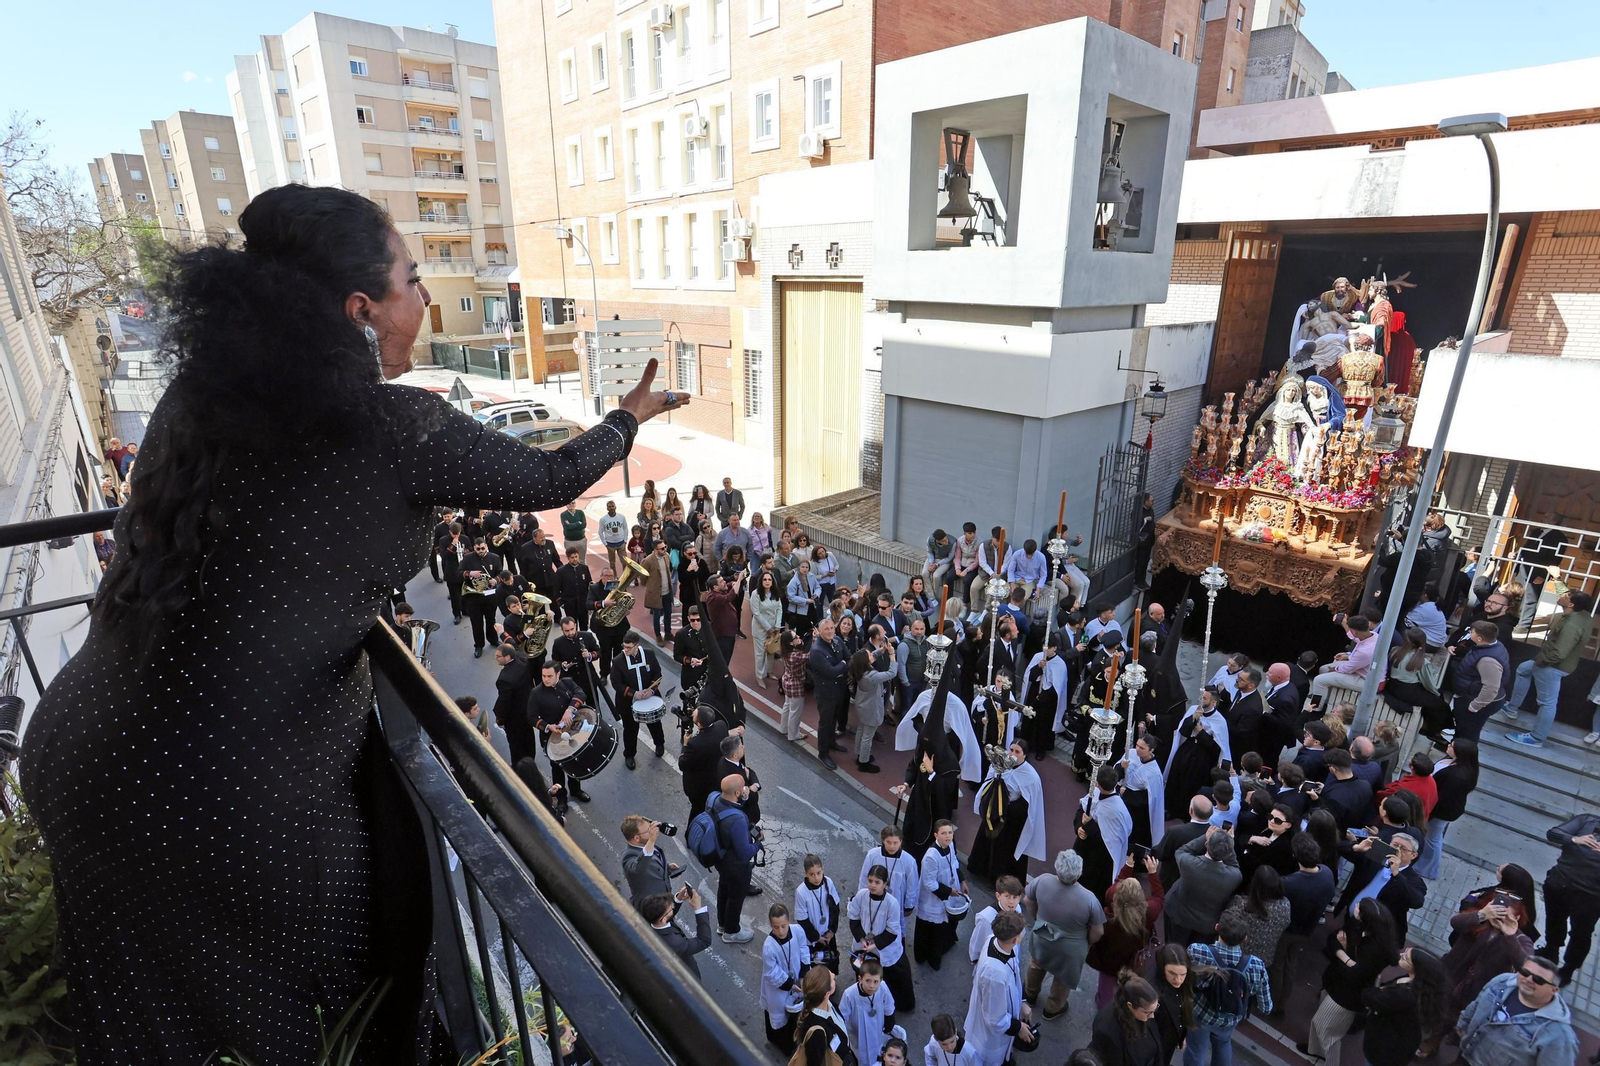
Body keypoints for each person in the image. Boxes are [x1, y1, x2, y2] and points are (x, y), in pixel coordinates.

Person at [20, 186, 689, 1060]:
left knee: (145, 1026)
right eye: (413, 281)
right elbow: (550, 481)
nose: (427, 303)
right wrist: (626, 418)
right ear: (360, 311)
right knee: (345, 1021)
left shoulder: (200, 396)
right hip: (222, 806)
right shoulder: (394, 427)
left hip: (82, 752)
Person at [1503, 591, 1596, 747]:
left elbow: (1560, 652)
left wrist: (1542, 661)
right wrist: (1558, 578)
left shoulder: (1571, 625)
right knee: (1523, 670)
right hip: (1550, 663)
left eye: (1565, 595)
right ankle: (1512, 707)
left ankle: (1536, 738)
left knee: (1547, 703)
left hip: (1551, 666)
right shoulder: (1583, 615)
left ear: (1571, 604)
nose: (1560, 595)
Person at [1020, 849, 1103, 1021]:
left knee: (1036, 963)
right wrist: (1086, 942)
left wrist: (1037, 918)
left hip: (1042, 935)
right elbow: (1098, 931)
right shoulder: (1089, 899)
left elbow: (1027, 900)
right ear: (1079, 873)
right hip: (1071, 947)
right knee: (1063, 978)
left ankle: (1030, 995)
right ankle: (1052, 1008)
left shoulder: (1042, 880)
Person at [1445, 865, 1538, 1013]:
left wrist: (1510, 935)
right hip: (1450, 978)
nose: (1498, 917)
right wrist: (1482, 914)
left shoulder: (1521, 939)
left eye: (1505, 915)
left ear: (1517, 917)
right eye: (1496, 911)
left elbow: (1526, 968)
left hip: (1478, 995)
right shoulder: (1479, 921)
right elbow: (1456, 922)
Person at [1455, 956, 1578, 1066]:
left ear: (1554, 990)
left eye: (1538, 980)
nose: (1529, 979)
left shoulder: (1559, 1036)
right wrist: (1462, 1027)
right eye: (1525, 972)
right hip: (1464, 1056)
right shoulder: (1502, 982)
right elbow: (1476, 1005)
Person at [1184, 912, 1271, 1066]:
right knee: (1223, 1044)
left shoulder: (1197, 950)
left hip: (1200, 1013)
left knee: (1196, 1049)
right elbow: (1266, 1006)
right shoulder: (1256, 965)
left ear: (1217, 928)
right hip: (1230, 1017)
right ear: (1245, 938)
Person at [1086, 854, 1165, 1006]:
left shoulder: (1111, 896)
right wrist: (1153, 873)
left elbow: (1117, 882)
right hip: (1131, 956)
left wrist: (1128, 866)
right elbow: (1159, 896)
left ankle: (1104, 1005)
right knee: (1128, 979)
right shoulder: (1149, 911)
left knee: (1106, 980)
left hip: (1108, 952)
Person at [969, 738, 1046, 882]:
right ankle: (979, 869)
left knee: (1004, 851)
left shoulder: (1031, 777)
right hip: (993, 812)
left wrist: (1009, 808)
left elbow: (1030, 804)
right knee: (986, 841)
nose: (1012, 754)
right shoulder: (999, 762)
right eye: (1011, 750)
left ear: (1024, 755)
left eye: (1017, 751)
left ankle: (999, 879)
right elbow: (988, 780)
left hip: (1011, 819)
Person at [1539, 811, 1600, 985]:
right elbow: (1553, 833)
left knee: (1581, 934)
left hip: (1591, 897)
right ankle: (1551, 951)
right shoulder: (1587, 820)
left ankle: (1568, 969)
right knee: (1554, 920)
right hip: (1560, 884)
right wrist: (1574, 839)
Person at [965, 911, 1034, 1064]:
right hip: (990, 1037)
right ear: (1016, 939)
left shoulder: (995, 941)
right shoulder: (994, 974)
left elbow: (1014, 975)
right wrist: (1018, 1027)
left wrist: (1021, 1002)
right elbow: (995, 1019)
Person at [1361, 946, 1448, 1066]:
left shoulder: (1404, 995)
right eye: (1406, 951)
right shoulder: (1422, 989)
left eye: (1406, 958)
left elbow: (1369, 997)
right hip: (1402, 1041)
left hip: (1384, 1048)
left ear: (1417, 969)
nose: (1401, 954)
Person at [1277, 835, 1335, 1008]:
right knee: (1291, 962)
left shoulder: (1289, 883)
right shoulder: (1326, 872)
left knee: (1277, 964)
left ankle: (1273, 1000)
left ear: (1295, 856)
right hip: (1306, 930)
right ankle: (1283, 999)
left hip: (1287, 930)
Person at [851, 863, 915, 1014]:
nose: (872, 885)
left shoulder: (892, 903)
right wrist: (861, 939)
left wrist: (875, 945)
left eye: (877, 882)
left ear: (885, 884)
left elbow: (892, 931)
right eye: (870, 881)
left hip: (885, 947)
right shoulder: (861, 896)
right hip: (864, 944)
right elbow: (853, 918)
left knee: (896, 976)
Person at [1163, 828, 1241, 951]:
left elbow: (1182, 850)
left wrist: (1205, 836)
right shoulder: (1235, 876)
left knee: (1173, 951)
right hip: (1206, 925)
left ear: (1206, 845)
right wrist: (1230, 842)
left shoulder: (1189, 864)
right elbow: (1234, 864)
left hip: (1179, 916)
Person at [529, 661, 594, 804]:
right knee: (557, 768)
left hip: (572, 732)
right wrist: (548, 726)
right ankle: (561, 798)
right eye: (543, 676)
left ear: (558, 674)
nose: (545, 679)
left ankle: (576, 790)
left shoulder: (567, 683)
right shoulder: (536, 693)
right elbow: (532, 717)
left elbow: (581, 693)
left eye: (549, 676)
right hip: (552, 738)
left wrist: (569, 709)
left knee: (574, 762)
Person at [1163, 688, 1231, 820]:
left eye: (1204, 698)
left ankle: (1187, 813)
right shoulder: (1194, 710)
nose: (1201, 700)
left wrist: (1201, 733)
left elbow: (1216, 748)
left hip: (1202, 757)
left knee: (1191, 785)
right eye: (1201, 697)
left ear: (1214, 702)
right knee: (1176, 779)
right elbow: (1183, 731)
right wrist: (1193, 718)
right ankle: (1172, 809)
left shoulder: (1219, 720)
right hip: (1187, 750)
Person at [707, 774, 759, 943]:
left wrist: (741, 801)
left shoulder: (714, 798)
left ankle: (722, 924)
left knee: (723, 890)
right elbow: (744, 852)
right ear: (737, 792)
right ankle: (731, 931)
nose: (746, 789)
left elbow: (728, 810)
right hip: (736, 865)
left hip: (720, 859)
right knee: (736, 897)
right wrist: (759, 843)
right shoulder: (737, 820)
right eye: (744, 787)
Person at [1419, 738, 1478, 879]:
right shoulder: (1455, 762)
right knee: (1432, 837)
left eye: (1451, 746)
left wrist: (1429, 812)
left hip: (1441, 811)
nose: (1448, 746)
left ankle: (1428, 870)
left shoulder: (1458, 776)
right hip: (1440, 807)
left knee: (1433, 838)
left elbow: (1443, 798)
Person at [611, 631, 665, 769]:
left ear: (637, 645)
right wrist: (634, 693)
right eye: (624, 646)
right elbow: (616, 683)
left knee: (654, 722)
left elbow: (657, 673)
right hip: (628, 701)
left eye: (629, 647)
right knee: (630, 729)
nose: (625, 650)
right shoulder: (618, 661)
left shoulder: (649, 654)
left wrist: (651, 690)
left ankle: (659, 744)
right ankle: (629, 754)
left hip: (649, 697)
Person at [1450, 619, 1510, 742]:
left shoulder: (1488, 660)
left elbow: (1491, 687)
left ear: (1480, 639)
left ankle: (1461, 759)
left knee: (1467, 734)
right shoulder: (1491, 646)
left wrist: (1474, 706)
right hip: (1470, 694)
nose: (1469, 633)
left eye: (1472, 632)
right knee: (1463, 731)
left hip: (1477, 700)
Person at [762, 903, 811, 1052]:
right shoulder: (769, 946)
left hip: (796, 978)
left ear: (789, 921)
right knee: (778, 1014)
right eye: (776, 927)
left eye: (783, 926)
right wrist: (790, 984)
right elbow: (771, 972)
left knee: (796, 1012)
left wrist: (803, 975)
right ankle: (781, 1043)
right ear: (771, 925)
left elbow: (804, 949)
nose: (780, 931)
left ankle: (794, 1038)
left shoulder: (797, 931)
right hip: (778, 987)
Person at [1089, 975, 1162, 1066]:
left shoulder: (1144, 1010)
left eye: (1154, 1009)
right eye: (1148, 1012)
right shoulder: (1107, 1031)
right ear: (1130, 1006)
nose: (1152, 1016)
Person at [643, 888, 712, 983]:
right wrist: (698, 908)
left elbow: (667, 917)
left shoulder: (650, 921)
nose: (672, 906)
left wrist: (678, 899)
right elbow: (704, 941)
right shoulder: (675, 943)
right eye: (671, 908)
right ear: (662, 919)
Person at [838, 958, 898, 1066]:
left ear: (881, 980)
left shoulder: (883, 987)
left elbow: (889, 1004)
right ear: (860, 979)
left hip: (877, 1029)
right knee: (861, 1055)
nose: (872, 986)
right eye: (868, 981)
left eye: (876, 982)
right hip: (858, 1034)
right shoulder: (849, 994)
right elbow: (842, 1016)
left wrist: (890, 1021)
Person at [1308, 614, 1377, 705]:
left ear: (1355, 632)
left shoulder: (1365, 651)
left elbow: (1348, 668)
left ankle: (1316, 708)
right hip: (1362, 669)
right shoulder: (1374, 635)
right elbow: (1356, 638)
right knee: (1323, 669)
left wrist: (1334, 669)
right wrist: (1344, 623)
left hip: (1367, 681)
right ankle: (1324, 697)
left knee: (1318, 680)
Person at [796, 966, 858, 1066]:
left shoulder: (829, 1003)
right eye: (832, 979)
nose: (834, 975)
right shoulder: (817, 1032)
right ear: (827, 993)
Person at [850, 645, 898, 773]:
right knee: (868, 736)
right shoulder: (871, 676)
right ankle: (863, 763)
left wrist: (881, 650)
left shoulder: (860, 670)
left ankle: (859, 755)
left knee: (861, 730)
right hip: (871, 710)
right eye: (870, 654)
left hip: (862, 707)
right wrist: (892, 655)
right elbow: (891, 673)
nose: (872, 654)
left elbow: (871, 657)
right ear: (866, 661)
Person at [810, 617, 850, 769]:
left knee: (834, 718)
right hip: (826, 693)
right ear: (819, 632)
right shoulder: (816, 651)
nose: (830, 631)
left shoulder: (838, 640)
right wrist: (843, 665)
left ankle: (832, 742)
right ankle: (823, 753)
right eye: (826, 629)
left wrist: (842, 665)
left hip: (839, 689)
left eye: (832, 628)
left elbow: (849, 656)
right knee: (826, 723)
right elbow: (831, 672)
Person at [620, 814, 683, 912]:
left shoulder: (646, 845)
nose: (653, 831)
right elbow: (639, 869)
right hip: (650, 909)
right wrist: (651, 840)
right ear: (636, 838)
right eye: (648, 830)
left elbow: (651, 863)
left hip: (664, 901)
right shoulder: (628, 856)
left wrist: (667, 868)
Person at [490, 643, 539, 765]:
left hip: (515, 716)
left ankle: (519, 766)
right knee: (528, 736)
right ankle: (531, 759)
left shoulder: (504, 679)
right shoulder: (522, 659)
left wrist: (499, 717)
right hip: (528, 707)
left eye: (498, 656)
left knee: (516, 744)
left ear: (507, 657)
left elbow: (504, 701)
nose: (495, 658)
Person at [680, 705, 732, 820]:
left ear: (699, 724)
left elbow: (683, 763)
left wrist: (685, 744)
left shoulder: (695, 744)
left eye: (694, 715)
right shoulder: (721, 726)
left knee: (698, 810)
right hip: (717, 775)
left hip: (700, 785)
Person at [795, 854, 842, 974]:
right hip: (813, 938)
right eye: (812, 874)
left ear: (823, 870)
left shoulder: (828, 883)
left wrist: (832, 931)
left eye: (819, 873)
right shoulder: (801, 892)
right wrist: (817, 938)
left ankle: (830, 986)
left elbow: (835, 909)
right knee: (815, 967)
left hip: (828, 934)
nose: (816, 878)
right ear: (806, 874)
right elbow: (802, 920)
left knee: (830, 963)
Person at [1157, 796, 1214, 891]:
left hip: (1172, 882)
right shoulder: (1215, 834)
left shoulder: (1175, 832)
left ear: (1190, 810)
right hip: (1198, 884)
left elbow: (1161, 854)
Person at [1152, 944, 1194, 1065]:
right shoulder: (1154, 992)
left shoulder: (1185, 983)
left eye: (1183, 975)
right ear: (1162, 967)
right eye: (1172, 973)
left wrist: (1181, 1036)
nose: (1178, 980)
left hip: (1169, 1043)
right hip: (1156, 1048)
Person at [751, 570, 786, 688]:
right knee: (760, 653)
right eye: (765, 579)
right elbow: (756, 613)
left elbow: (779, 609)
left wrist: (777, 625)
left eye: (769, 579)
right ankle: (759, 676)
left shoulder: (775, 593)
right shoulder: (755, 594)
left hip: (774, 628)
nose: (767, 581)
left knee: (771, 650)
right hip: (760, 628)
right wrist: (768, 628)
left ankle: (769, 671)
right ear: (761, 581)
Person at [779, 628, 810, 741]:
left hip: (787, 681)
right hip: (795, 685)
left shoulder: (786, 652)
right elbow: (809, 656)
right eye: (795, 637)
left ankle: (783, 729)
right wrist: (816, 639)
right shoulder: (795, 656)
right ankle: (793, 735)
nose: (798, 637)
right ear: (790, 642)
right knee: (796, 711)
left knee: (787, 706)